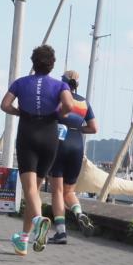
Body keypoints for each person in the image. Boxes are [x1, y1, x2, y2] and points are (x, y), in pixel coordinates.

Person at [0, 45, 76, 255]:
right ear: (52, 65)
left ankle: (39, 219)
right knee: (34, 190)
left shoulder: (21, 83)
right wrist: (58, 112)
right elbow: (69, 106)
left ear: (33, 63)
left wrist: (20, 113)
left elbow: (5, 105)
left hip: (28, 134)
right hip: (50, 137)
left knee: (30, 190)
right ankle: (23, 240)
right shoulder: (60, 86)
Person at [48, 70, 98, 244]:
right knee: (69, 191)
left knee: (58, 192)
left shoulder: (59, 98)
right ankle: (79, 213)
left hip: (60, 142)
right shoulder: (84, 102)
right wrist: (78, 129)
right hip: (77, 144)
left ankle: (61, 232)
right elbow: (93, 128)